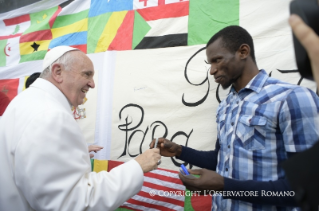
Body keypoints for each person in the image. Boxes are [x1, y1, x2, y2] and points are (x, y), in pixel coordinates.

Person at [150, 25, 319, 210]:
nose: (212, 70)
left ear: (243, 52)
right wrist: (179, 151)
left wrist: (225, 186)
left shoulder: (292, 98)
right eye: (210, 64)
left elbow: (305, 190)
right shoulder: (225, 105)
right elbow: (222, 159)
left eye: (217, 60)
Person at [0, 46, 161, 211]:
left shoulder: (25, 102)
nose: (92, 83)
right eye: (87, 74)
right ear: (57, 72)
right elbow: (72, 203)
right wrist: (137, 166)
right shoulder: (51, 116)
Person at [24, 72, 104, 159]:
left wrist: (79, 154)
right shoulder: (45, 114)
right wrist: (77, 157)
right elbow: (46, 153)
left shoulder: (33, 109)